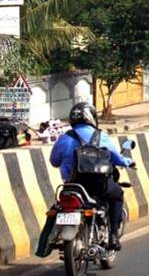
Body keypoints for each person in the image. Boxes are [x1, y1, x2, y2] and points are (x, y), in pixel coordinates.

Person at [49, 103, 134, 250]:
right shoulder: (101, 136)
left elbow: (54, 161)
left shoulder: (63, 139)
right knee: (117, 195)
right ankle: (113, 235)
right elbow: (116, 158)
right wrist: (128, 161)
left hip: (72, 186)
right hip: (98, 185)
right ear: (91, 118)